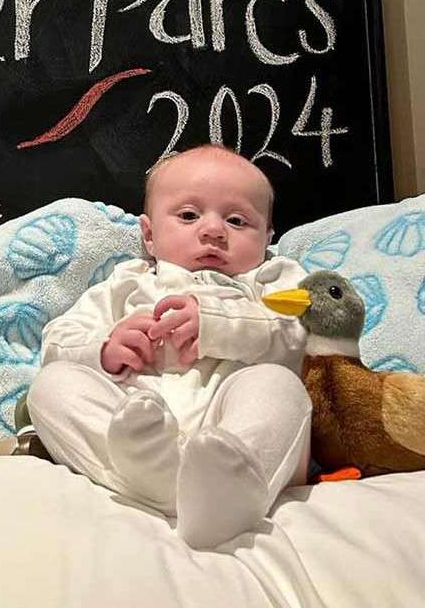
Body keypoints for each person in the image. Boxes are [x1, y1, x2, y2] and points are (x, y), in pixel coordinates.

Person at [26, 144, 312, 549]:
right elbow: (58, 339)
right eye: (189, 216)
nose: (213, 231)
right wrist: (104, 350)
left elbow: (303, 336)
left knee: (280, 387)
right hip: (135, 420)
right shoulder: (126, 282)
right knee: (50, 385)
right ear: (149, 235)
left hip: (227, 419)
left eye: (236, 220)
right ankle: (154, 479)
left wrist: (220, 325)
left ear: (267, 237)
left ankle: (230, 488)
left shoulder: (270, 280)